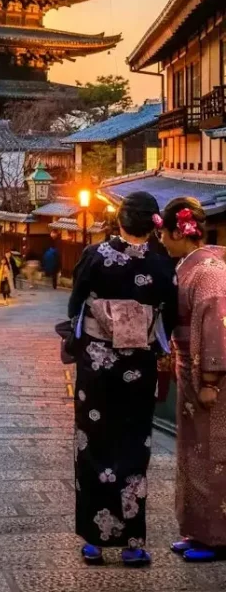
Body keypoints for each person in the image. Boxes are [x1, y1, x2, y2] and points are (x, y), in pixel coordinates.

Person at [68, 191, 178, 567]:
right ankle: (133, 542)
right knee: (133, 446)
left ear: (120, 219)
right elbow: (171, 314)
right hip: (139, 367)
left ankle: (95, 542)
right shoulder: (162, 263)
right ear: (153, 224)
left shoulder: (94, 255)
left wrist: (86, 333)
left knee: (93, 443)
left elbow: (76, 304)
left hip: (98, 365)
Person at [157, 197, 226, 562]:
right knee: (193, 452)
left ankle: (217, 536)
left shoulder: (211, 272)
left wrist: (211, 379)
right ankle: (197, 529)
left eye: (164, 235)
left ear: (177, 232)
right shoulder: (189, 266)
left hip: (210, 378)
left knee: (214, 454)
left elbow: (217, 326)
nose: (162, 242)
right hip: (189, 368)